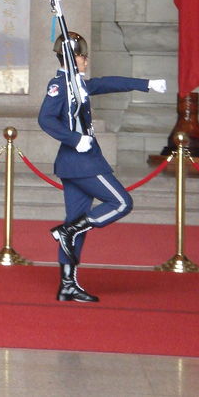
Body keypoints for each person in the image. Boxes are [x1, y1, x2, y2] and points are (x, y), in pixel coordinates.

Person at [38, 32, 167, 303]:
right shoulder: (59, 85)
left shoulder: (78, 84)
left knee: (78, 221)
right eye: (83, 56)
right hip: (82, 162)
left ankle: (68, 284)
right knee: (121, 202)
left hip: (76, 163)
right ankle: (68, 231)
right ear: (74, 58)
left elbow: (107, 83)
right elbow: (46, 119)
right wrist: (75, 139)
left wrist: (146, 84)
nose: (86, 59)